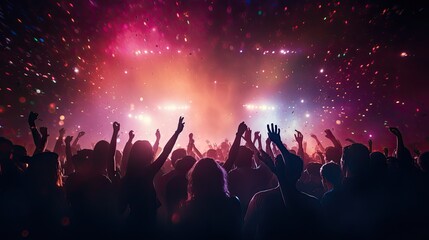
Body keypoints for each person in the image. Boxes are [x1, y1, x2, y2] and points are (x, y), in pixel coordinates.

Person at [244, 124, 323, 239]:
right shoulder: (312, 202)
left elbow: (247, 232)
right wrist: (279, 144)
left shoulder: (260, 199)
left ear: (275, 169)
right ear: (300, 173)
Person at [120, 117, 185, 239]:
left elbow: (120, 208)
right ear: (148, 155)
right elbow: (166, 152)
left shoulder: (127, 178)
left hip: (132, 225)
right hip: (147, 226)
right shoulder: (147, 173)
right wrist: (177, 133)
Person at [173, 158, 242, 240]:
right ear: (219, 178)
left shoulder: (186, 208)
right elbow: (238, 232)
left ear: (195, 181)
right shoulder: (233, 203)